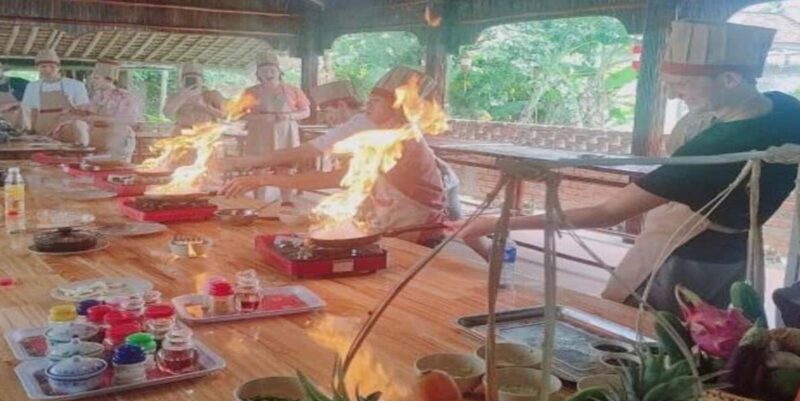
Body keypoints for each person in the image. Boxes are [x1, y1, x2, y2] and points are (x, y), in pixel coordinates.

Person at [457, 20, 800, 315]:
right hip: (733, 255)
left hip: (681, 259)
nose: (673, 95)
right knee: (707, 333)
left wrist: (500, 221)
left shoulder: (715, 149)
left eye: (683, 86)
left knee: (640, 332)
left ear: (729, 80)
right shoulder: (786, 108)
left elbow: (606, 213)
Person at [221, 66, 449, 246]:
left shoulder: (401, 141)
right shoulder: (381, 134)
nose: (367, 105)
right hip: (394, 224)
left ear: (399, 107)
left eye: (376, 101)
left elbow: (339, 178)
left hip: (417, 233)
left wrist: (263, 179)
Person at [243, 51, 310, 205]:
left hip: (286, 132)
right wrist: (259, 117)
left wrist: (289, 116)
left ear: (279, 72)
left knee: (285, 169)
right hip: (259, 134)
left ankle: (286, 201)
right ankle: (258, 202)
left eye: (272, 70)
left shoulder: (293, 90)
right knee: (258, 169)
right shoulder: (250, 92)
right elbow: (238, 115)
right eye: (264, 71)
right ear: (258, 74)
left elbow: (306, 111)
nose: (269, 73)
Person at [70, 60, 141, 161]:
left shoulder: (124, 96)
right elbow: (90, 112)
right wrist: (78, 111)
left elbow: (131, 120)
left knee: (117, 170)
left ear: (108, 79)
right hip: (99, 139)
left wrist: (98, 118)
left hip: (118, 139)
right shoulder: (97, 96)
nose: (93, 81)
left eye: (96, 78)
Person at [21, 49, 90, 143]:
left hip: (66, 129)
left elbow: (82, 112)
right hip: (41, 130)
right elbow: (32, 111)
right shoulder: (32, 86)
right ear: (37, 68)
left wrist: (60, 123)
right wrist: (31, 130)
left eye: (52, 67)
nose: (47, 70)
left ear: (59, 67)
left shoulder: (76, 85)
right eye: (43, 67)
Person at [162, 63, 226, 133]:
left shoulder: (213, 95)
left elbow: (224, 116)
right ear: (182, 80)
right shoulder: (175, 96)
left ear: (202, 80)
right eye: (188, 78)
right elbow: (167, 114)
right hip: (183, 132)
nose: (192, 81)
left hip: (206, 132)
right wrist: (181, 97)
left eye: (195, 78)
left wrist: (204, 106)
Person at [0, 62, 29, 130]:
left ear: (2, 70)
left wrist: (11, 104)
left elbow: (35, 101)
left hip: (19, 128)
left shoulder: (19, 82)